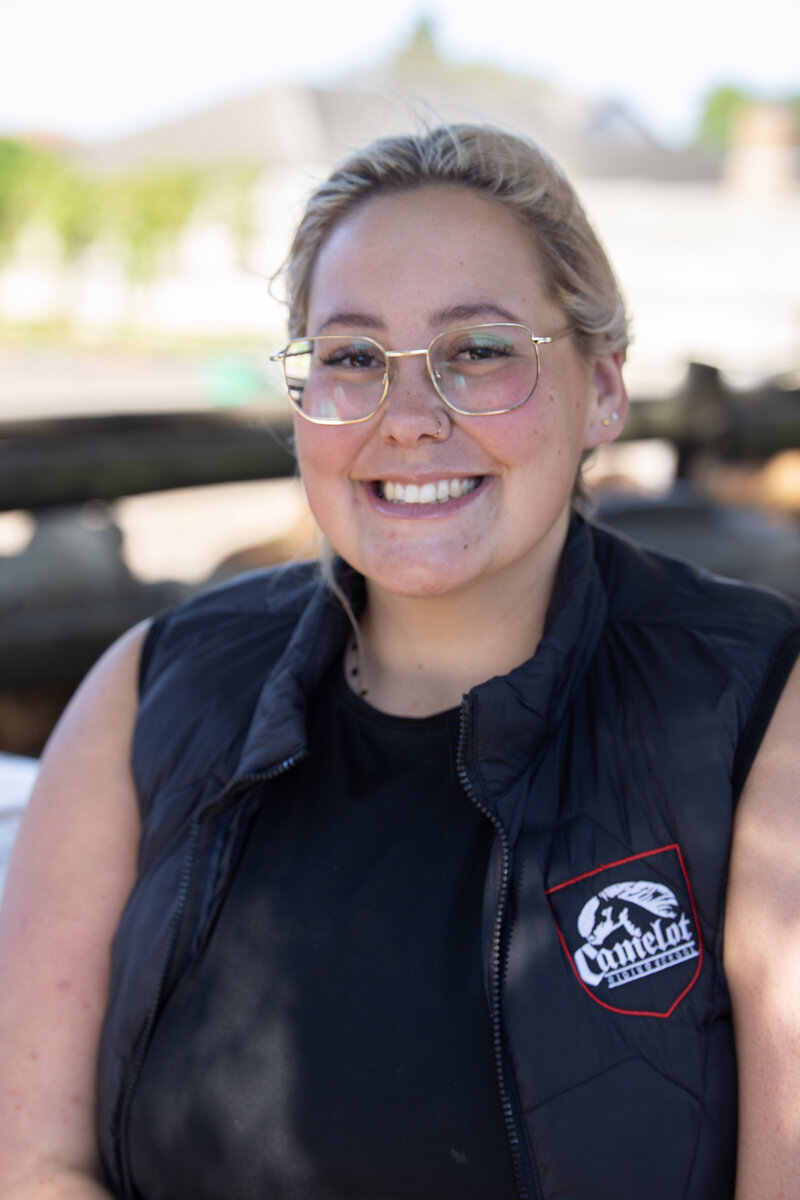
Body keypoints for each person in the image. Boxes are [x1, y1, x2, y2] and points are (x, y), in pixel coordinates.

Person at [1, 123, 799, 1200]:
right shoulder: (151, 689)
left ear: (603, 389)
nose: (408, 418)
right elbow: (30, 1164)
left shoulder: (757, 711)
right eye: (351, 357)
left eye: (477, 350)